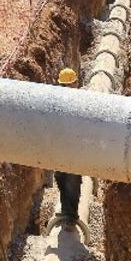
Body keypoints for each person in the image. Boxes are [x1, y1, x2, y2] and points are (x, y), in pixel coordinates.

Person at [52, 67, 84, 231]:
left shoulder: (82, 102)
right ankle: (65, 210)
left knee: (72, 182)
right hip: (61, 150)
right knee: (60, 178)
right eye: (64, 86)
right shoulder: (58, 102)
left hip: (75, 151)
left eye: (69, 85)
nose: (66, 89)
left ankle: (71, 217)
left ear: (76, 84)